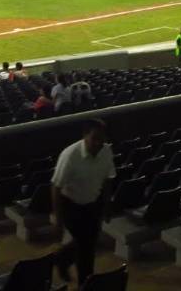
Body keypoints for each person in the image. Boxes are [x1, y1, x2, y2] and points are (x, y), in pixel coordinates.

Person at [51, 119, 116, 284]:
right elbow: (56, 187)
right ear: (84, 136)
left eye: (102, 139)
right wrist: (58, 222)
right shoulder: (70, 156)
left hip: (92, 203)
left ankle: (62, 259)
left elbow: (108, 178)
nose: (99, 143)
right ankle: (85, 284)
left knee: (89, 243)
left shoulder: (106, 151)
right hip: (70, 204)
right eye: (95, 138)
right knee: (85, 247)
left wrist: (107, 206)